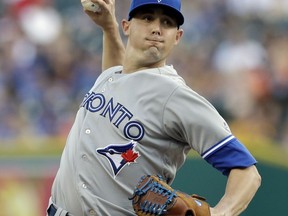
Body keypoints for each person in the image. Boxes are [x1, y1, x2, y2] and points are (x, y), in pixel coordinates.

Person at [47, 0, 261, 215]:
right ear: (127, 26)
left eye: (167, 22)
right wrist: (108, 28)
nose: (157, 29)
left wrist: (220, 213)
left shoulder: (175, 96)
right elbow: (122, 80)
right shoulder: (113, 76)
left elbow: (247, 172)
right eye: (147, 18)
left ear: (177, 36)